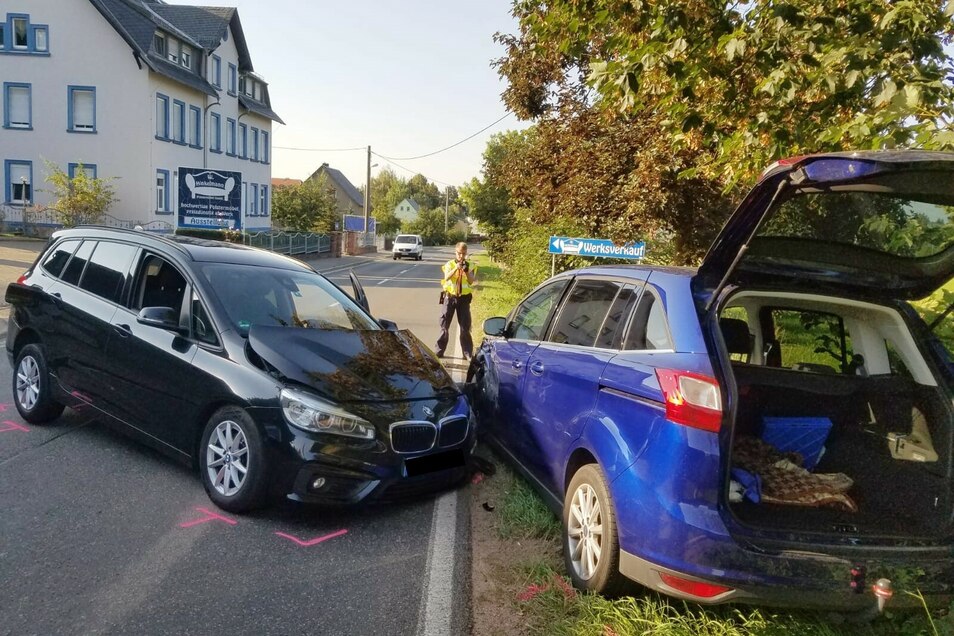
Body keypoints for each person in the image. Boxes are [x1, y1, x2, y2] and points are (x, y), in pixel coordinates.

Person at [435, 242, 477, 359]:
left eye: (463, 254)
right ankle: (439, 351)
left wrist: (466, 270)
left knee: (465, 327)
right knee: (444, 325)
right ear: (456, 252)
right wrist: (456, 269)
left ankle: (467, 353)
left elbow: (471, 281)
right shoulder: (449, 264)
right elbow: (447, 277)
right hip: (450, 297)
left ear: (466, 253)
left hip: (463, 299)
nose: (461, 256)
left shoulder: (470, 265)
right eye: (459, 253)